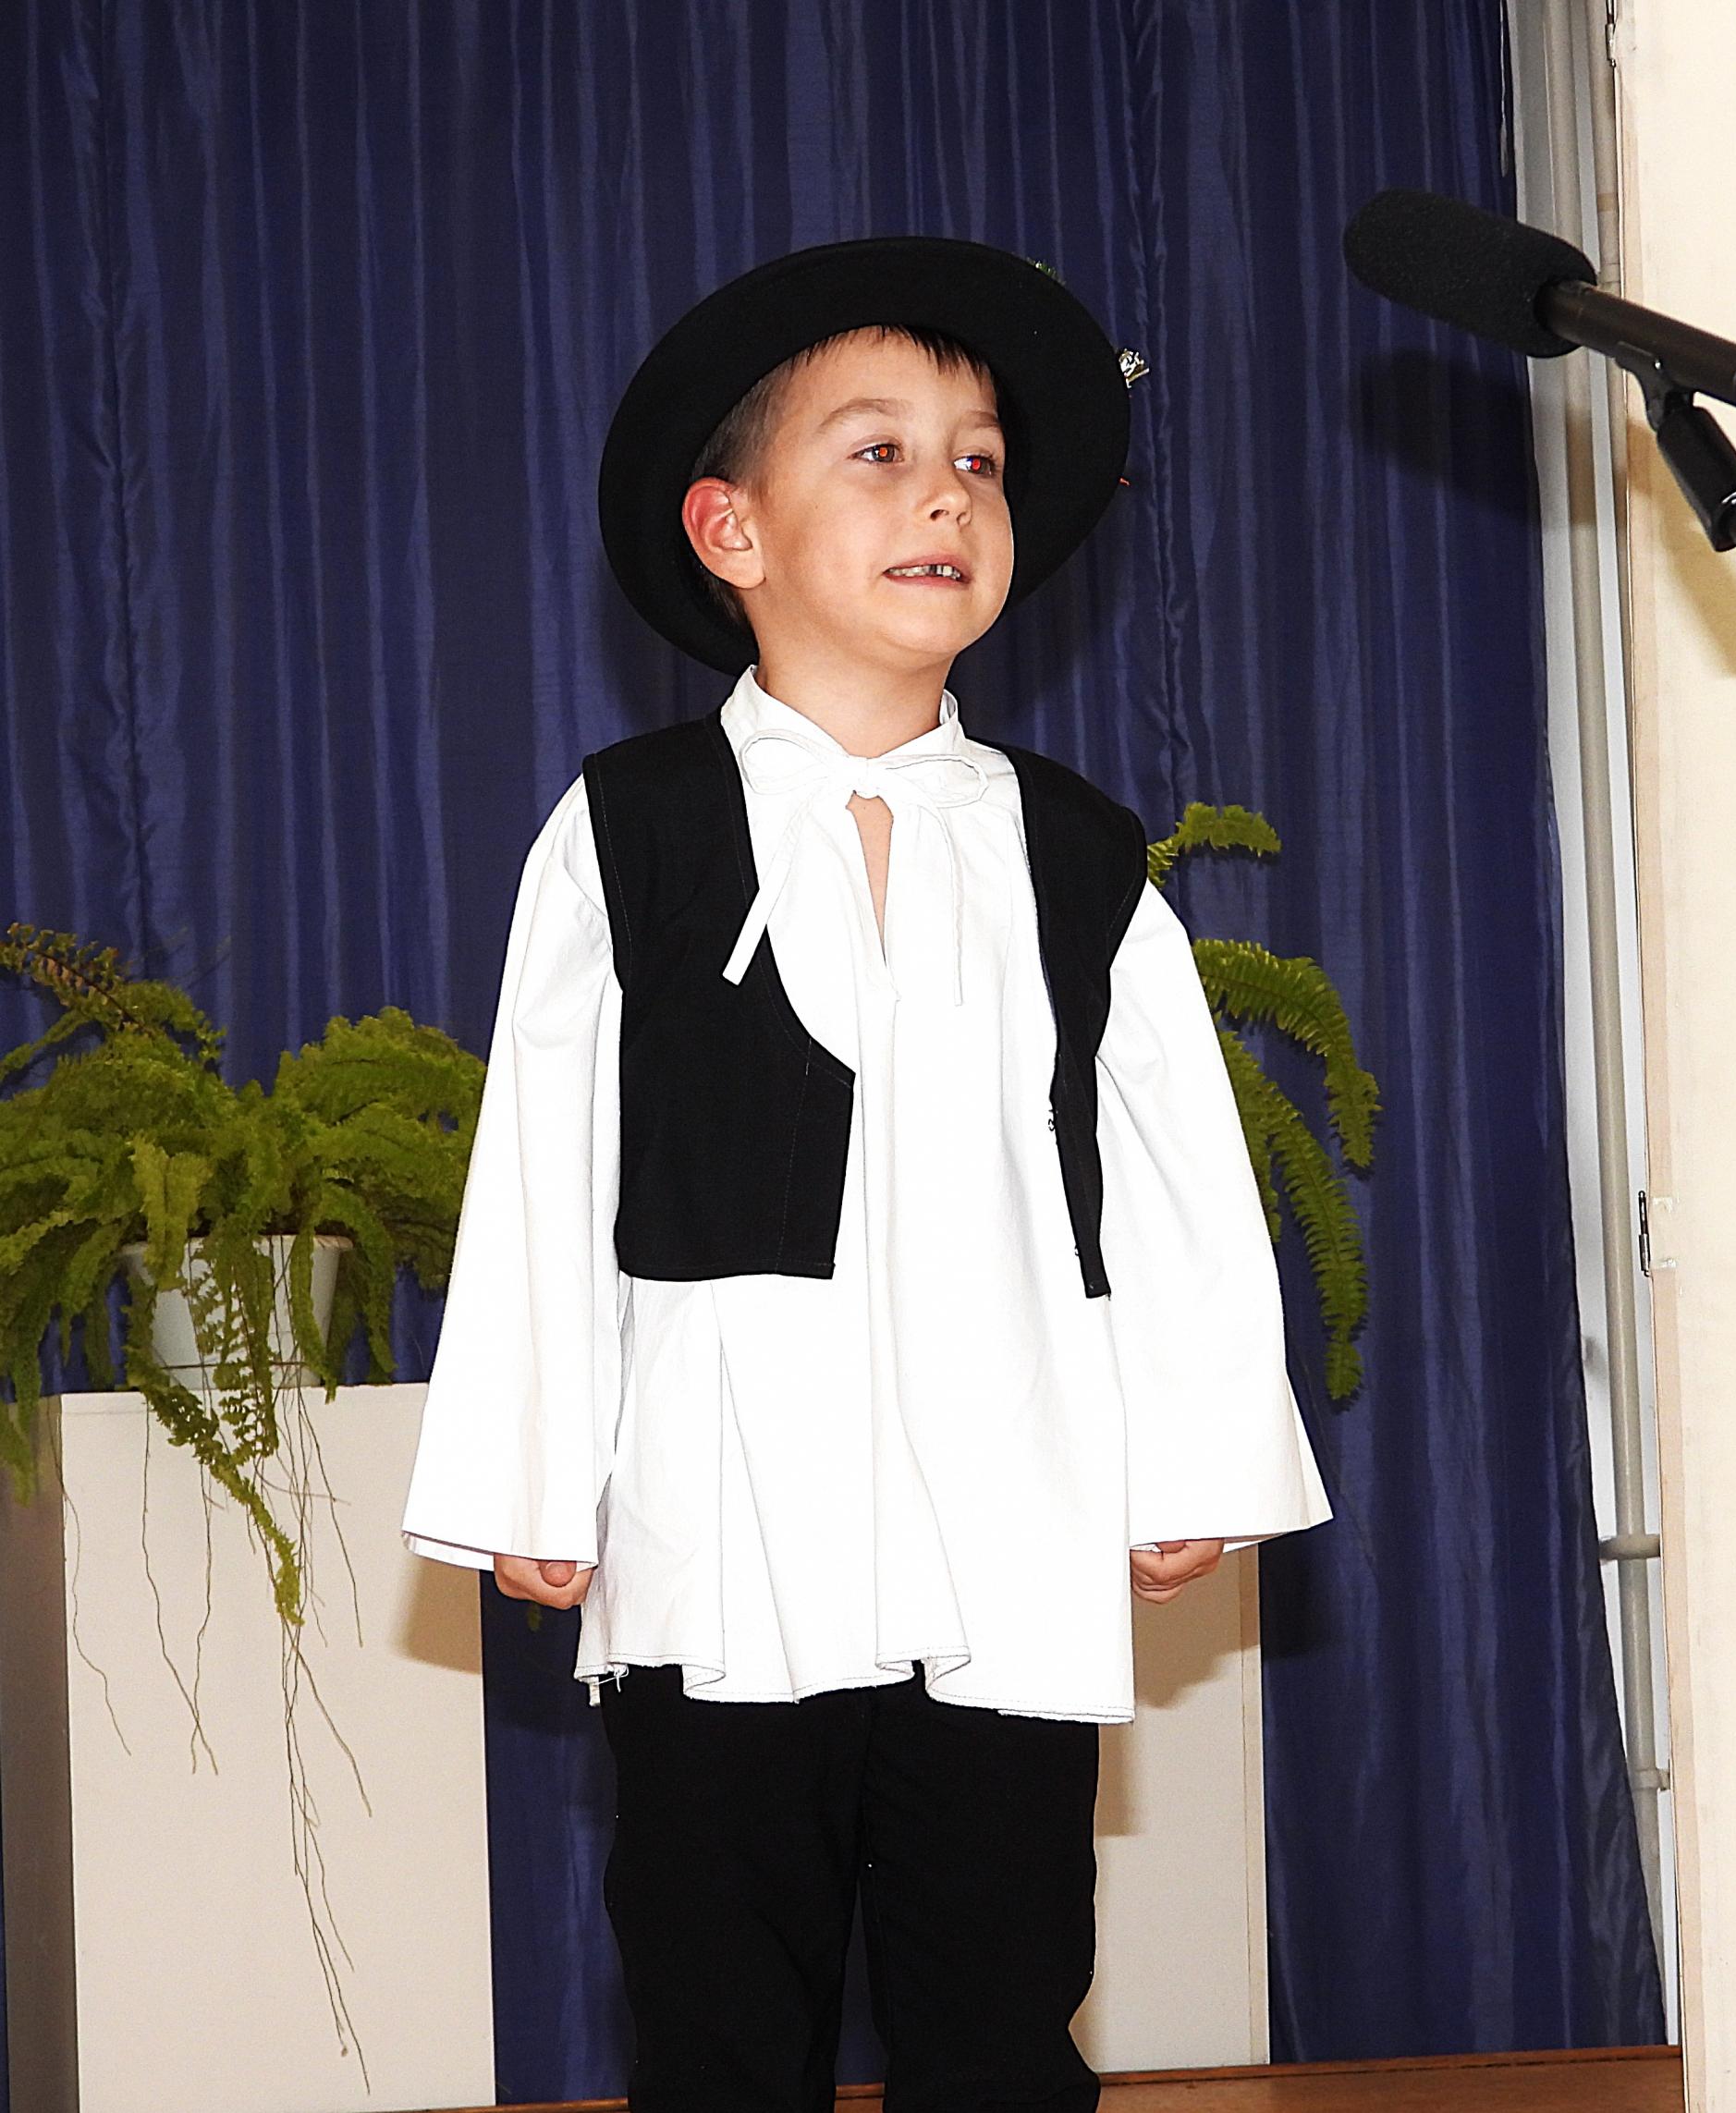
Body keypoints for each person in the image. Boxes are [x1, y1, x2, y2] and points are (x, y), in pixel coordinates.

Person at [400, 235, 1332, 2113]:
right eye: (882, 452)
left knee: (1000, 2009)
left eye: (979, 460)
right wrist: (530, 1471)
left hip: (1004, 1535)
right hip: (724, 1534)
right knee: (720, 2021)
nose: (947, 495)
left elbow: (1172, 1178)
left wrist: (1192, 1454)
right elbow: (548, 1161)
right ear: (731, 530)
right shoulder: (631, 832)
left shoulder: (1073, 853)